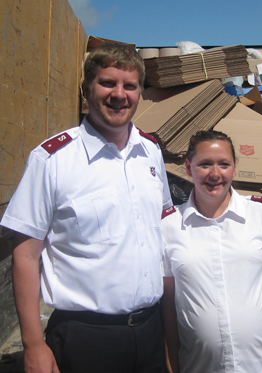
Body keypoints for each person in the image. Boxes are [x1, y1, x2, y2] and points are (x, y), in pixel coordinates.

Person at [1, 43, 173, 373]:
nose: (119, 94)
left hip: (150, 330)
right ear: (86, 89)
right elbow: (25, 255)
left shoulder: (150, 153)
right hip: (85, 339)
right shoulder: (52, 160)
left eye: (130, 86)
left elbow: (162, 232)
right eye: (108, 83)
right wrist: (33, 344)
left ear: (140, 93)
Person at [160, 130, 262, 373]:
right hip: (200, 367)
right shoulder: (169, 226)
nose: (215, 174)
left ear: (234, 169)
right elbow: (168, 309)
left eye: (224, 164)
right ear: (189, 168)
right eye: (204, 164)